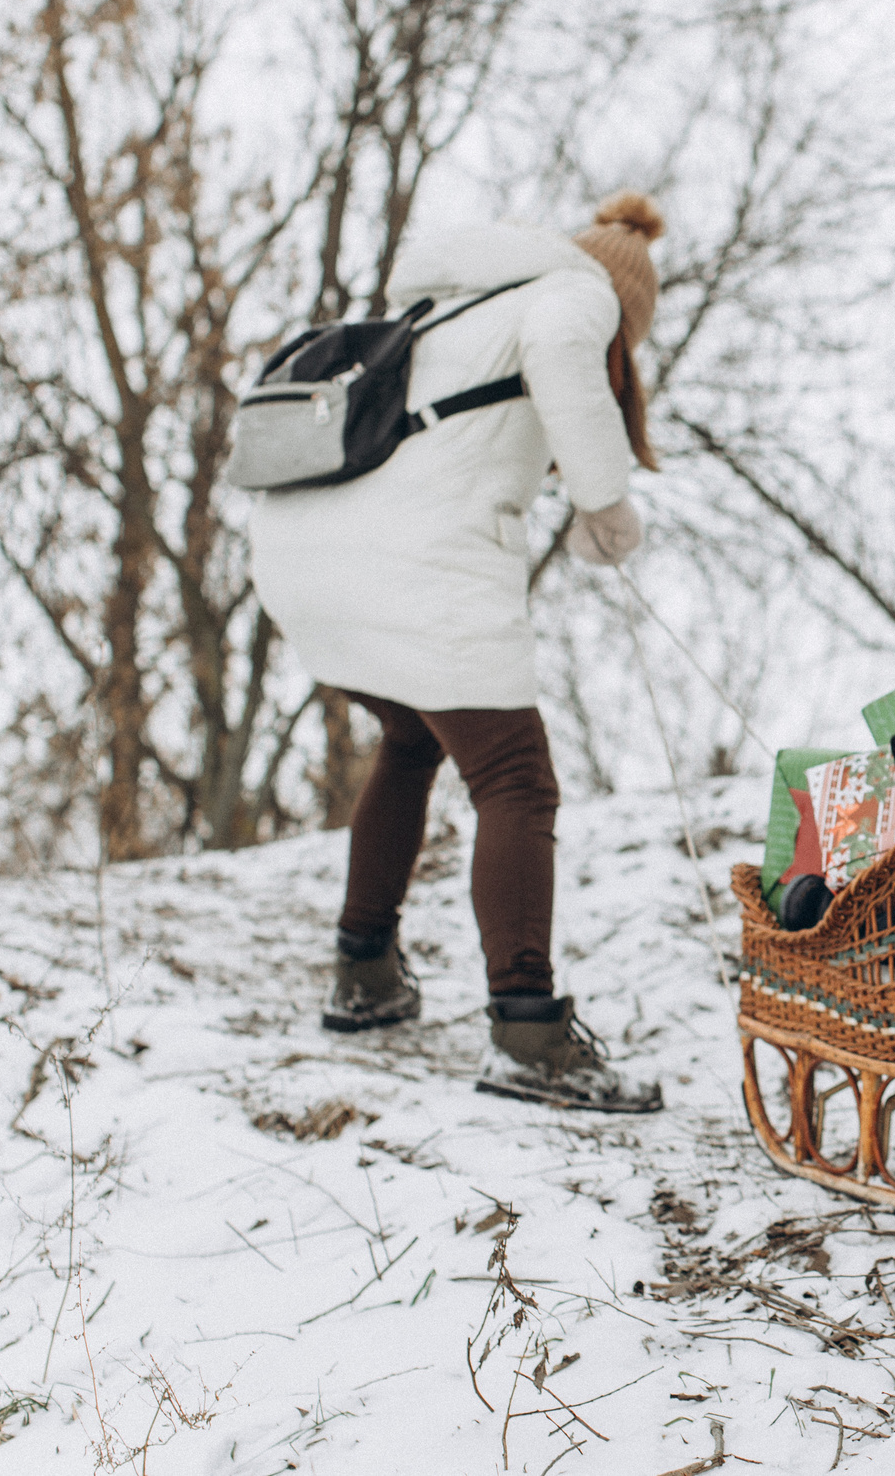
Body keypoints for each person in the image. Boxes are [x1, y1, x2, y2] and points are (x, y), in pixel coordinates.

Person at [250, 192, 667, 1113]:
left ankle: (364, 978)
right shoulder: (576, 291)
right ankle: (528, 1032)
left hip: (307, 550)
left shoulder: (451, 301)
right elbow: (566, 359)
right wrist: (607, 504)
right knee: (516, 775)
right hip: (415, 565)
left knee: (411, 738)